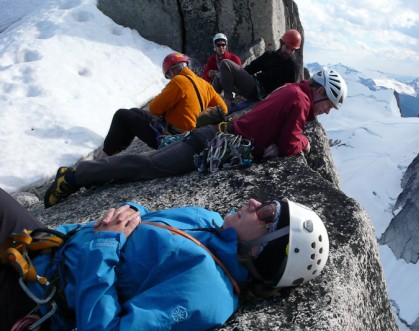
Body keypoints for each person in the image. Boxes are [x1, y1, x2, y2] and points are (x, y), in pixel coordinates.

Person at [0, 187, 330, 330]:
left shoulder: (208, 293)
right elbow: (150, 219)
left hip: (33, 297)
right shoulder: (210, 221)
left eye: (268, 213)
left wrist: (104, 247)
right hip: (42, 246)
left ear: (265, 250)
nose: (255, 202)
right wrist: (132, 212)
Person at [44, 69, 348, 208]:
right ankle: (73, 177)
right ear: (320, 91)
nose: (327, 112)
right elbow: (290, 144)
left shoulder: (293, 91)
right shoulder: (300, 102)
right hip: (209, 144)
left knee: (146, 165)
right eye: (329, 105)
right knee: (146, 167)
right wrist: (305, 143)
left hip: (211, 138)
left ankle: (81, 176)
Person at [97, 53, 228, 158]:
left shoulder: (178, 81)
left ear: (171, 71)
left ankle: (106, 154)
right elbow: (223, 108)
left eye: (169, 75)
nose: (170, 78)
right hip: (190, 134)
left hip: (171, 137)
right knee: (134, 112)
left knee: (122, 115)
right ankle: (115, 149)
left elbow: (155, 109)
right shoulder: (204, 84)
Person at [217, 29, 302, 106]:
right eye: (287, 47)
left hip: (259, 92)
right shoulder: (269, 55)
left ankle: (227, 102)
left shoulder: (292, 66)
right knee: (219, 76)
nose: (288, 51)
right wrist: (232, 76)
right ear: (281, 43)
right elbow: (250, 69)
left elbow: (292, 90)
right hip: (253, 85)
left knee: (225, 63)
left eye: (292, 50)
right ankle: (209, 103)